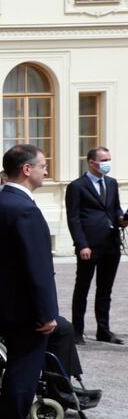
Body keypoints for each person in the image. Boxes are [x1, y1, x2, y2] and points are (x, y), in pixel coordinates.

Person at [0, 145, 60, 419]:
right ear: (27, 169)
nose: (46, 170)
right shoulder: (23, 208)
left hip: (9, 299)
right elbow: (37, 268)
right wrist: (47, 312)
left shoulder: (2, 202)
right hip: (26, 306)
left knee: (19, 366)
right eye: (43, 165)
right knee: (24, 370)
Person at [65, 146, 127, 344]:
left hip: (111, 244)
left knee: (105, 290)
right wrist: (81, 244)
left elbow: (115, 209)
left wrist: (122, 219)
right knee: (82, 288)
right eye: (104, 160)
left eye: (109, 159)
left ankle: (104, 330)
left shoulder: (111, 183)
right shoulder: (77, 186)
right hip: (89, 246)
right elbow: (73, 218)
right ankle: (77, 331)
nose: (108, 163)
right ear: (92, 163)